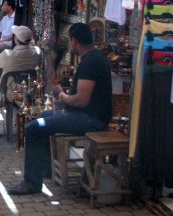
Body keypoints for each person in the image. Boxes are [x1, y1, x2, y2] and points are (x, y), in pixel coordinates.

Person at [7, 23, 112, 195]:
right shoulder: (95, 57)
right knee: (45, 116)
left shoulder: (90, 63)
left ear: (74, 41)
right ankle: (47, 170)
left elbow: (81, 101)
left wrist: (61, 95)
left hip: (89, 119)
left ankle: (31, 183)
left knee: (33, 128)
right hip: (87, 115)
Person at [0, 26, 40, 137]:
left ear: (16, 39)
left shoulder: (8, 55)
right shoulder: (36, 54)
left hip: (10, 93)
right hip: (30, 92)